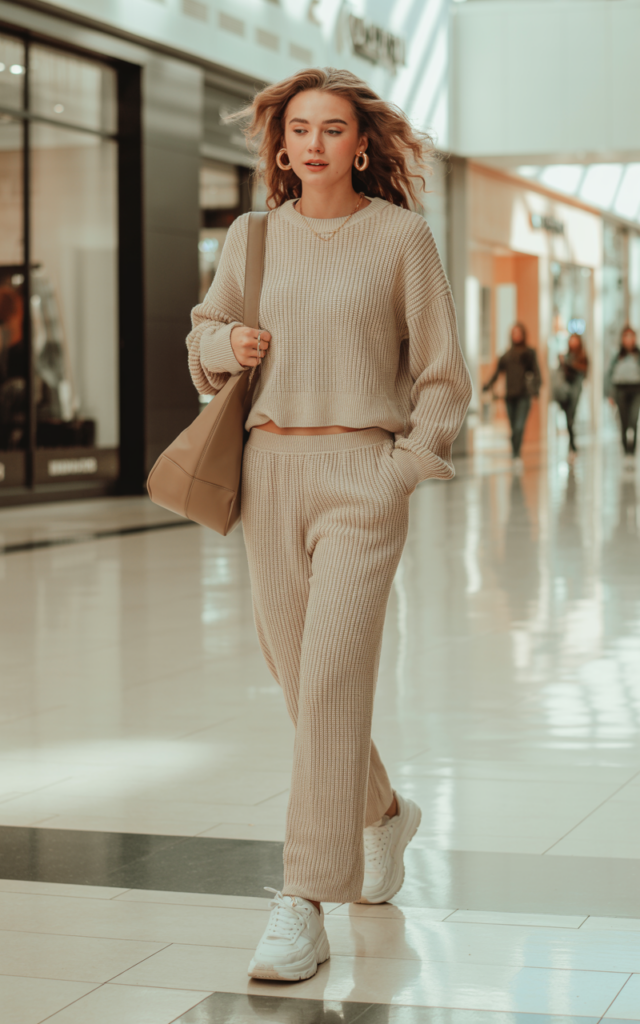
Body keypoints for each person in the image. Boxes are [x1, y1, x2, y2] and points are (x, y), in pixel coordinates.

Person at [186, 68, 471, 982]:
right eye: (299, 127)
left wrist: (401, 473)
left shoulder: (401, 238)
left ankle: (304, 902)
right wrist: (224, 345)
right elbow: (203, 332)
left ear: (361, 144)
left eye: (333, 127)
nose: (314, 142)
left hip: (362, 478)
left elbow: (442, 380)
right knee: (307, 683)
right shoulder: (252, 236)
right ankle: (383, 813)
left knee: (334, 674)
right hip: (269, 474)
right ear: (281, 145)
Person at [482, 323, 541, 461]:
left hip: (524, 396)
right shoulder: (506, 355)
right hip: (510, 396)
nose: (516, 336)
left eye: (518, 333)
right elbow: (497, 373)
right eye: (514, 333)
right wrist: (487, 385)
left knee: (519, 426)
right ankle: (515, 452)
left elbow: (537, 373)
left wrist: (536, 389)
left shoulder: (529, 353)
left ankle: (516, 454)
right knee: (513, 428)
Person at [606, 325, 640, 458]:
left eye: (631, 336)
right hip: (620, 389)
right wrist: (610, 393)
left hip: (636, 388)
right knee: (624, 420)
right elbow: (609, 374)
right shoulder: (616, 355)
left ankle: (633, 450)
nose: (628, 339)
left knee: (634, 419)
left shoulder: (638, 355)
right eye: (626, 336)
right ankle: (626, 450)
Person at [558, 333, 589, 458]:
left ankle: (572, 444)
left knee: (571, 416)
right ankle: (571, 443)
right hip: (565, 389)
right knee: (567, 416)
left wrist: (568, 363)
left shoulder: (582, 356)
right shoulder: (565, 356)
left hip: (576, 387)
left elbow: (584, 371)